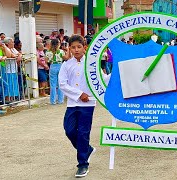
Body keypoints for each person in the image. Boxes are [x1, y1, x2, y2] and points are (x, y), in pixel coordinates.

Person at [58, 34, 110, 178]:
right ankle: (87, 149)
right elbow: (62, 84)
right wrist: (79, 94)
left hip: (88, 105)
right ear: (69, 48)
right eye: (73, 47)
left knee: (83, 133)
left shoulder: (91, 64)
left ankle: (83, 164)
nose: (76, 50)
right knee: (69, 130)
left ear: (85, 48)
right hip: (73, 103)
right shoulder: (66, 65)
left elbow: (102, 79)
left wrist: (115, 73)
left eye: (79, 47)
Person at [45, 38, 68, 104]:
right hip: (60, 66)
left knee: (53, 84)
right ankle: (60, 100)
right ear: (58, 44)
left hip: (52, 66)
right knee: (60, 84)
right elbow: (66, 58)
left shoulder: (48, 52)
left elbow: (46, 60)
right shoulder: (61, 51)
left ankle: (53, 101)